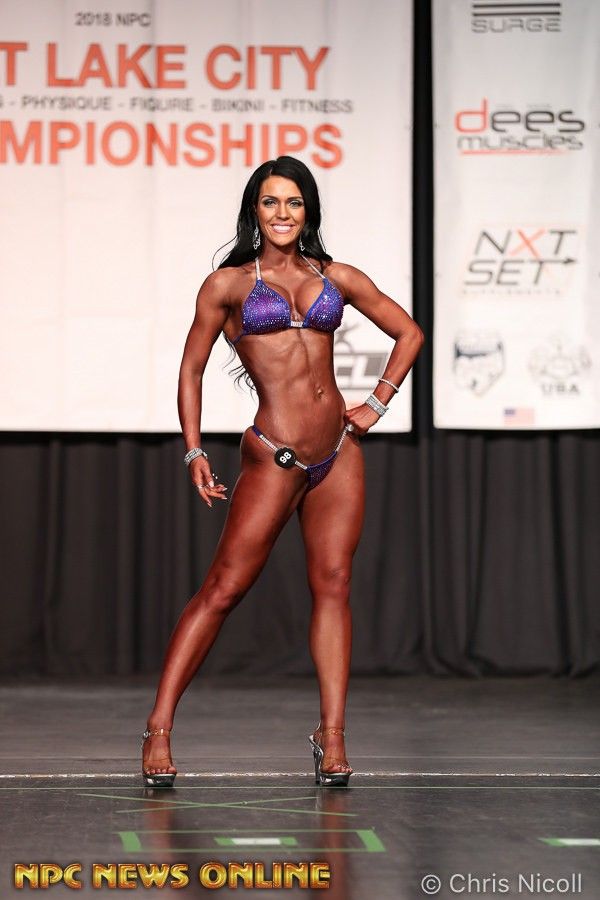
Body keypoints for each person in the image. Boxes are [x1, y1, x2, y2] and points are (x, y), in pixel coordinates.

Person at [141, 155, 424, 788]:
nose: (282, 213)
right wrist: (194, 451)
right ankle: (158, 727)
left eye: (294, 202)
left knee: (334, 585)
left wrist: (377, 402)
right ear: (255, 211)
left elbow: (408, 333)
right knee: (223, 589)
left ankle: (332, 734)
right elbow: (190, 370)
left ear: (308, 211)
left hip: (337, 453)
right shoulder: (227, 285)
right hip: (276, 454)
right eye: (271, 202)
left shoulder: (336, 276)